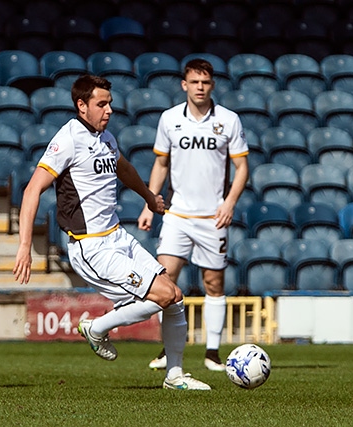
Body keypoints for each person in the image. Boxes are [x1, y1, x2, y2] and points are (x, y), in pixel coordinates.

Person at [13, 75, 210, 390]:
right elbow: (32, 189)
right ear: (81, 105)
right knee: (163, 295)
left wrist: (148, 196)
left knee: (175, 298)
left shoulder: (105, 137)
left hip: (118, 237)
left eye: (110, 104)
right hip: (91, 247)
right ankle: (97, 327)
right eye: (101, 104)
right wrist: (25, 246)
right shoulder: (68, 139)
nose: (109, 111)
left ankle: (175, 376)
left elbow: (125, 169)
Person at [137, 59, 250, 371]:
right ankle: (167, 347)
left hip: (212, 217)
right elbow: (161, 164)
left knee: (213, 282)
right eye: (194, 82)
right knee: (165, 278)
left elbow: (242, 168)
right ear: (184, 85)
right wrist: (150, 203)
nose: (200, 87)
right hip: (177, 214)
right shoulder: (169, 119)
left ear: (212, 85)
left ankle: (212, 352)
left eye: (206, 82)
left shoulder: (228, 120)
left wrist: (229, 203)